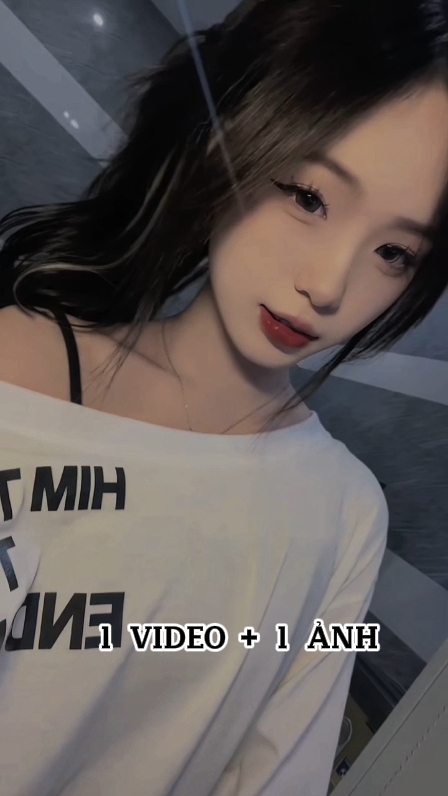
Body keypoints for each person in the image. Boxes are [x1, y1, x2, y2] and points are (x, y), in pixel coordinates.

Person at [0, 0, 448, 793]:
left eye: (393, 252)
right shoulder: (17, 366)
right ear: (226, 142)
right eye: (308, 196)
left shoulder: (343, 514)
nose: (328, 284)